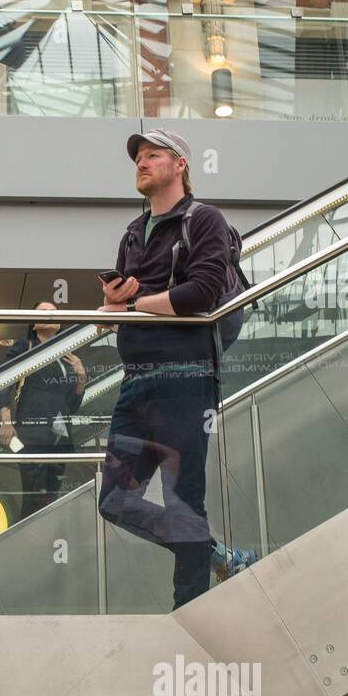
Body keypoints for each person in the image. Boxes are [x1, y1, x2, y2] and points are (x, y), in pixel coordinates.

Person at [96, 129, 257, 609]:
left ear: (181, 164)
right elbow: (116, 311)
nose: (141, 164)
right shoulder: (133, 231)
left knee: (184, 501)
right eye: (138, 158)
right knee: (114, 500)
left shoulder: (203, 219)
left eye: (153, 156)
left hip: (185, 376)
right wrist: (111, 304)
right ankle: (220, 554)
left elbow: (201, 294)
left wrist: (135, 305)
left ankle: (189, 616)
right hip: (137, 380)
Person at [0, 303, 86, 519]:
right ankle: (26, 541)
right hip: (32, 434)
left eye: (54, 312)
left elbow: (72, 405)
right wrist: (6, 420)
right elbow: (4, 382)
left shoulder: (66, 356)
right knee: (32, 493)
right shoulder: (24, 346)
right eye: (43, 312)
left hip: (61, 437)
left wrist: (81, 376)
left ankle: (46, 538)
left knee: (55, 497)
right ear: (33, 323)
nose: (50, 315)